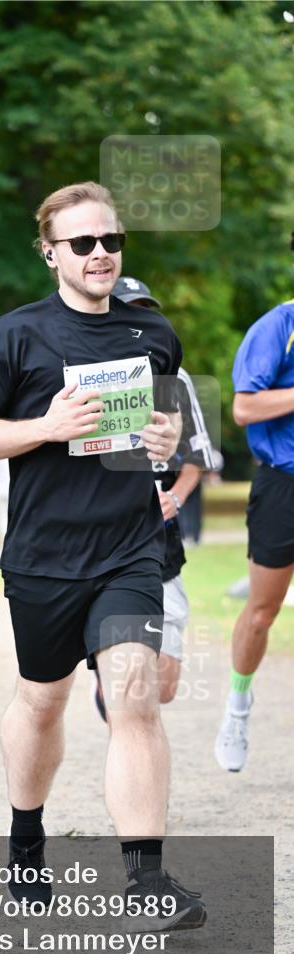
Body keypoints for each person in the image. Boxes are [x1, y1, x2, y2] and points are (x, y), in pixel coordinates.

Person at [0, 182, 205, 931]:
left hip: (129, 547)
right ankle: (25, 838)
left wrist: (162, 441)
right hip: (42, 556)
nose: (100, 254)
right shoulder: (13, 337)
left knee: (132, 697)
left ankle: (146, 881)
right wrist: (45, 425)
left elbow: (161, 428)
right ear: (50, 252)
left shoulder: (150, 334)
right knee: (42, 700)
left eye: (110, 241)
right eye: (82, 243)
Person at [92, 277, 215, 717]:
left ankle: (117, 701)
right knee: (130, 685)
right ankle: (124, 725)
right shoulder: (90, 374)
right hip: (105, 535)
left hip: (161, 535)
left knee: (162, 686)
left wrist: (176, 499)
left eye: (147, 310)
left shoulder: (174, 376)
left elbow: (198, 457)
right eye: (131, 309)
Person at [214, 244, 294, 772]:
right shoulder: (277, 326)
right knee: (263, 612)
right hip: (283, 484)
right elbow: (244, 407)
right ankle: (237, 707)